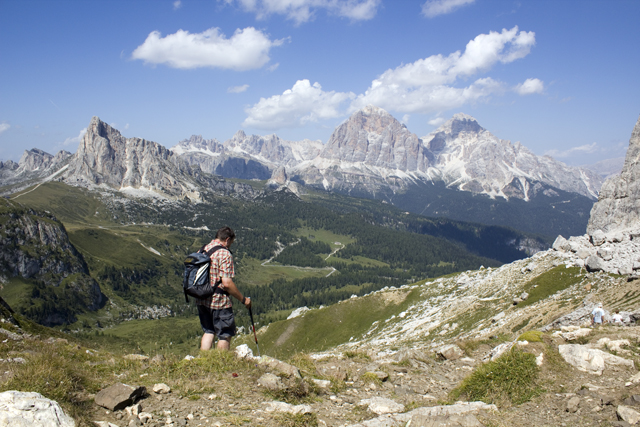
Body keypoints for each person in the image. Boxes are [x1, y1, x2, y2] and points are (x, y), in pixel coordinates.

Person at [196, 226, 251, 351]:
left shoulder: (203, 249)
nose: (230, 245)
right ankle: (222, 363)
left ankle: (204, 361)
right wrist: (243, 300)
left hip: (202, 298)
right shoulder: (224, 253)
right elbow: (226, 283)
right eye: (231, 242)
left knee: (209, 331)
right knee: (224, 334)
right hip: (219, 301)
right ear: (227, 240)